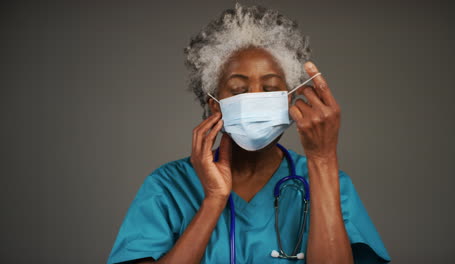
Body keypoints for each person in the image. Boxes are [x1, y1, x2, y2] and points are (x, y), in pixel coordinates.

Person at [107, 3, 391, 264]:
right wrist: (213, 201)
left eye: (269, 89)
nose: (256, 97)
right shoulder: (169, 186)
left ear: (289, 99)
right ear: (214, 104)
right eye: (239, 90)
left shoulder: (329, 182)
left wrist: (323, 158)